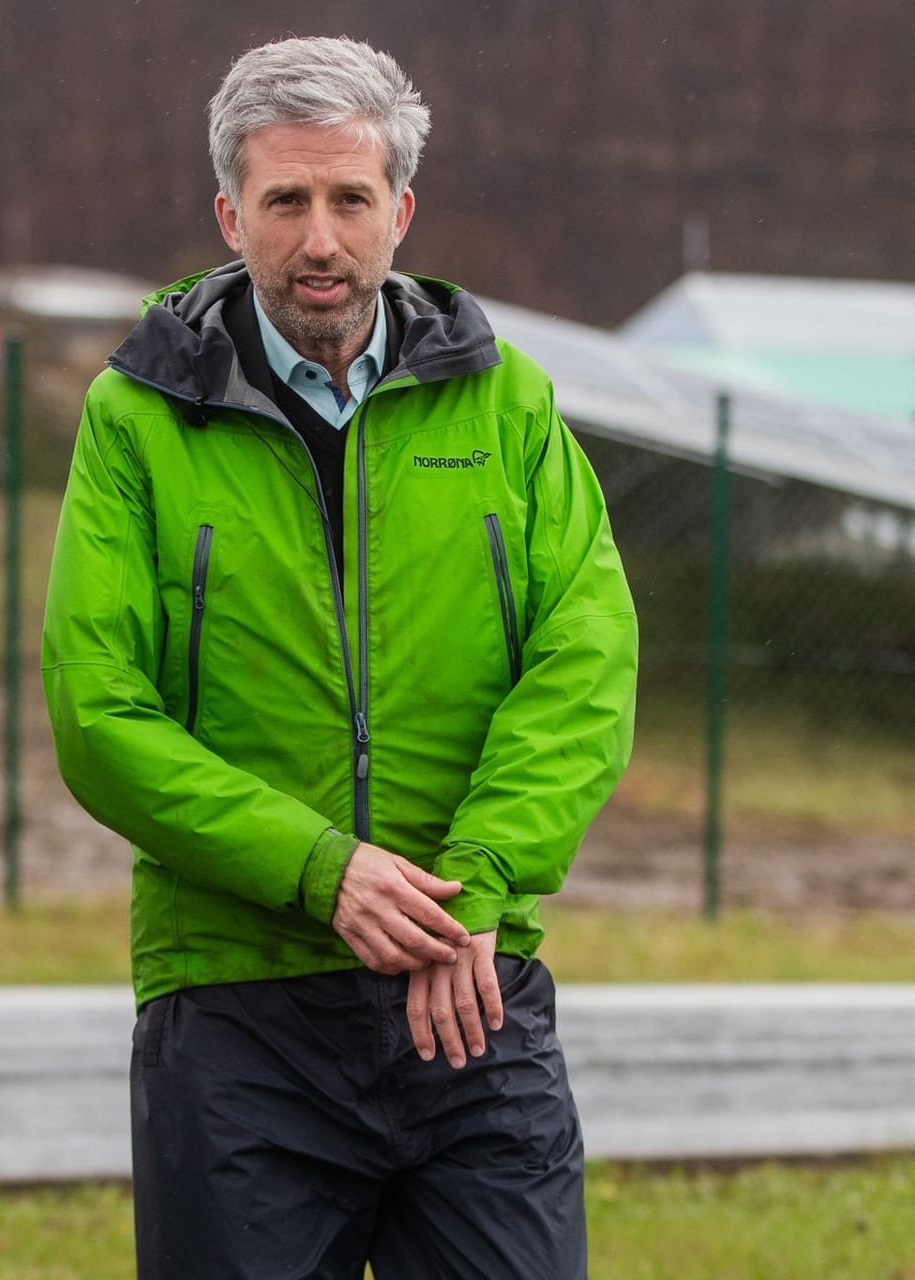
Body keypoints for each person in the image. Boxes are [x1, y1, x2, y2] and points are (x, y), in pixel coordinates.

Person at [42, 36, 637, 1279]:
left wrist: (474, 880)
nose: (320, 240)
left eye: (350, 199)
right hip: (236, 1010)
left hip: (473, 985)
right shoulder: (137, 417)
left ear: (400, 209)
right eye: (286, 201)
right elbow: (99, 708)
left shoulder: (507, 404)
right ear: (230, 212)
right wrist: (323, 871)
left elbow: (587, 660)